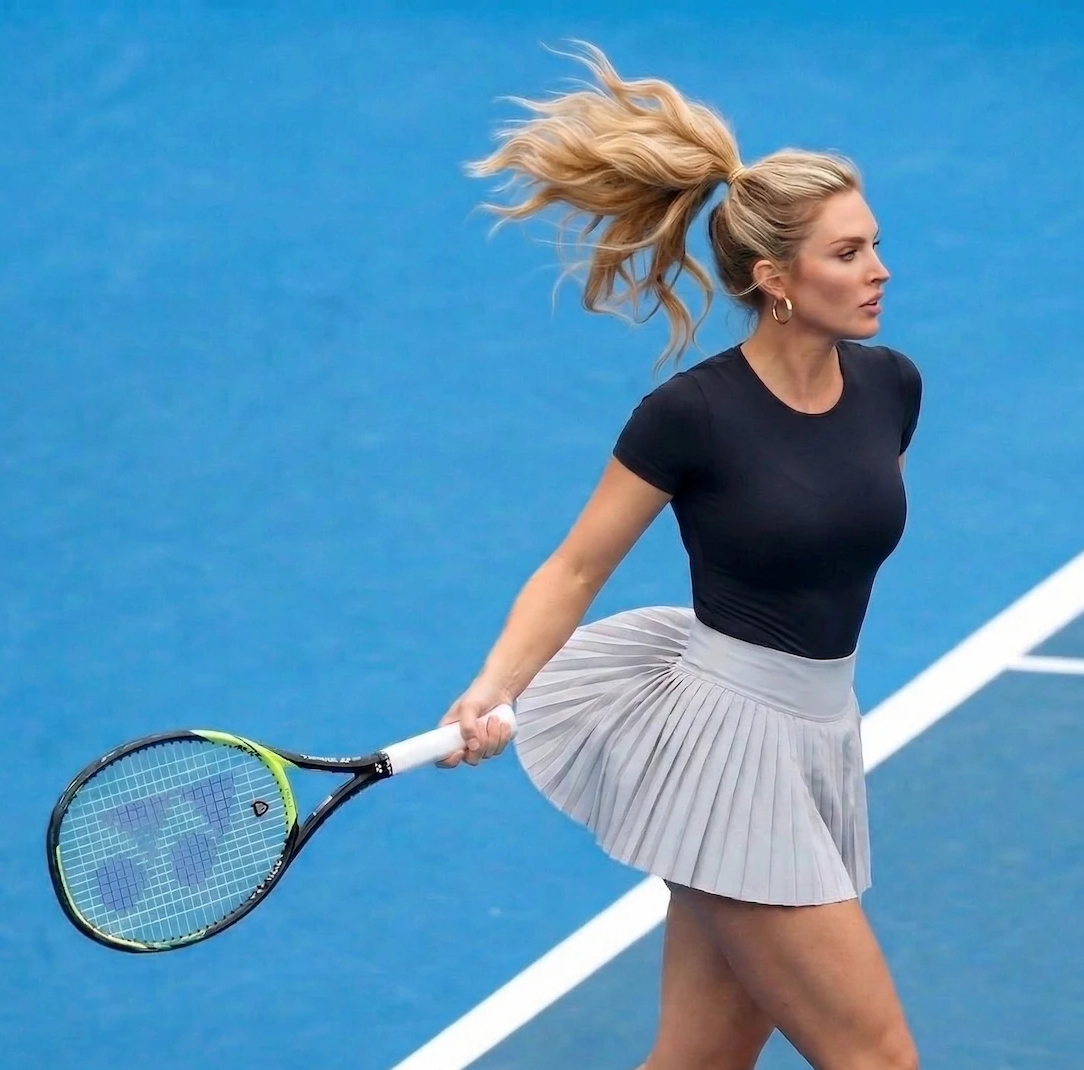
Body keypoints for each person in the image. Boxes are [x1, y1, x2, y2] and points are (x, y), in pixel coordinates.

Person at [437, 42, 922, 1070]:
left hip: (823, 735)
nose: (879, 269)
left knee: (699, 1059)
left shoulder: (892, 388)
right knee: (878, 1058)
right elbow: (574, 568)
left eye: (875, 243)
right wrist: (492, 687)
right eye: (847, 252)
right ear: (773, 279)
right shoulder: (690, 415)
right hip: (730, 750)